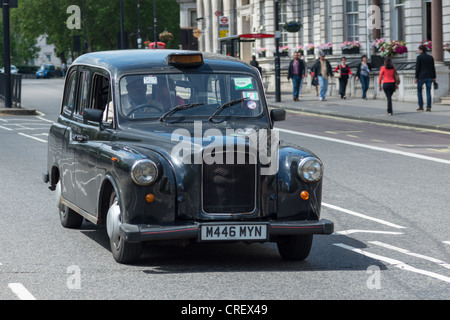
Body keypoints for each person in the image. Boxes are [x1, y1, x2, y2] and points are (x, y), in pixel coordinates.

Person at [415, 44, 436, 112]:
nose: (418, 51)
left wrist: (416, 77)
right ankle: (428, 107)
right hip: (429, 77)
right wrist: (434, 77)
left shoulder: (419, 57)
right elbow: (433, 67)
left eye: (418, 50)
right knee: (428, 92)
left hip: (421, 77)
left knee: (419, 91)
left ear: (421, 50)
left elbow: (417, 68)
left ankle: (421, 106)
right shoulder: (430, 57)